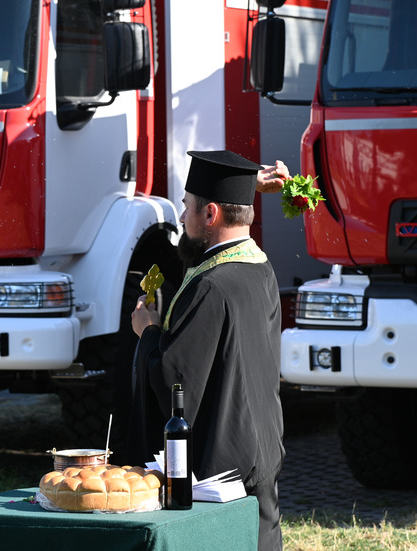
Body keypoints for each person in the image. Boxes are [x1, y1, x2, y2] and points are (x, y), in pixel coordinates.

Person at [128, 150, 288, 550]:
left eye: (186, 207)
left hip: (221, 468)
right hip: (260, 449)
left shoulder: (211, 287)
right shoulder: (259, 268)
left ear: (211, 214)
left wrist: (147, 333)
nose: (182, 218)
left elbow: (176, 379)